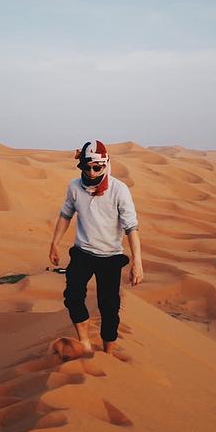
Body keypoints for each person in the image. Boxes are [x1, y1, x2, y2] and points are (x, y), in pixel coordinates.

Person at [49, 139, 144, 354]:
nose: (92, 172)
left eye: (97, 167)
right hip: (83, 253)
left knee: (109, 307)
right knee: (72, 296)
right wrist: (54, 243)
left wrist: (137, 262)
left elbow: (131, 228)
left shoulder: (119, 190)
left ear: (106, 164)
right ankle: (84, 343)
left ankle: (108, 352)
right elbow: (65, 215)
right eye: (87, 167)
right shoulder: (74, 187)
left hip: (110, 256)